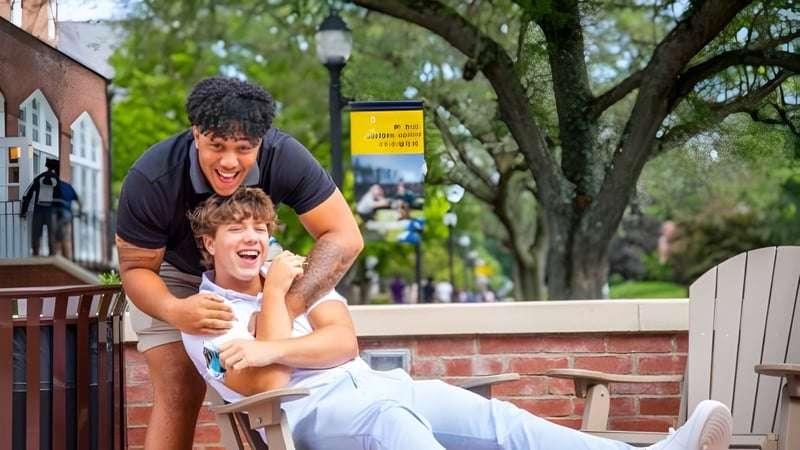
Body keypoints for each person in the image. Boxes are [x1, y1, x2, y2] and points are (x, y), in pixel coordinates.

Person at [182, 187, 733, 450]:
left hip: (375, 384)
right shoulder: (205, 315)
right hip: (309, 417)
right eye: (237, 230)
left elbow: (342, 344)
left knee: (505, 423)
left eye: (260, 228)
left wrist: (267, 341)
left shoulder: (296, 274)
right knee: (392, 422)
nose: (253, 239)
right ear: (209, 243)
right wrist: (275, 298)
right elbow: (271, 386)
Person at [114, 76, 363, 449]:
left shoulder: (285, 156)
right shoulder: (152, 178)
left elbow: (344, 237)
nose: (230, 162)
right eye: (217, 146)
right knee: (179, 387)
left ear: (261, 142)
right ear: (196, 133)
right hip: (170, 272)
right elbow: (136, 269)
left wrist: (281, 307)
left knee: (276, 376)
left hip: (254, 257)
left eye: (244, 148)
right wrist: (175, 310)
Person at [20, 158, 62, 256]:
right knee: (51, 236)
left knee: (36, 236)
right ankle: (52, 259)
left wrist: (24, 210)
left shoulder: (39, 178)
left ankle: (36, 257)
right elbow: (60, 197)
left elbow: (27, 194)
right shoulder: (57, 179)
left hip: (38, 210)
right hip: (51, 212)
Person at [53, 177, 82, 260]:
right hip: (66, 213)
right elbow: (79, 201)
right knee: (66, 238)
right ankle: (67, 259)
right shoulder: (68, 186)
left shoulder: (53, 187)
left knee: (55, 237)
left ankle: (56, 258)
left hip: (54, 213)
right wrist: (79, 212)